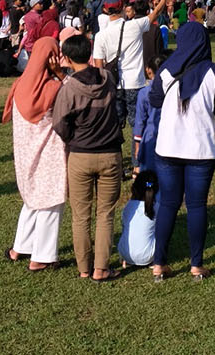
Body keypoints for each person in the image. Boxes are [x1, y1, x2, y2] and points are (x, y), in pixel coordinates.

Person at [148, 22, 215, 281]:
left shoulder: (165, 71)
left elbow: (154, 100)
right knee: (196, 206)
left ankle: (159, 263)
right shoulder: (214, 72)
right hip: (200, 149)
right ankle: (196, 264)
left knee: (169, 204)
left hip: (168, 146)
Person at [52, 34, 121, 281]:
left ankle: (84, 268)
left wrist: (73, 138)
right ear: (89, 52)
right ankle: (101, 268)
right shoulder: (108, 78)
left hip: (80, 155)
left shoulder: (69, 88)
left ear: (67, 59)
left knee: (81, 215)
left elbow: (59, 123)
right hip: (110, 154)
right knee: (105, 213)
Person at [2, 37, 66, 273]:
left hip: (24, 153)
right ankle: (42, 256)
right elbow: (77, 96)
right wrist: (60, 73)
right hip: (48, 155)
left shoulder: (20, 84)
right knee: (51, 202)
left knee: (32, 200)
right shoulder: (53, 87)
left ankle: (20, 247)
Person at [94, 0, 174, 137]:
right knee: (138, 124)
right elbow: (156, 12)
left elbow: (99, 65)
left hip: (114, 84)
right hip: (135, 82)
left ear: (105, 10)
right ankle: (138, 154)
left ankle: (115, 156)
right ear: (124, 8)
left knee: (115, 124)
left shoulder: (100, 36)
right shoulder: (135, 26)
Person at [118, 170, 158, 269]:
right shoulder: (157, 207)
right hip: (148, 255)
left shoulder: (128, 206)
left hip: (125, 253)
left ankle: (127, 259)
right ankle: (157, 261)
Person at [132, 56, 163, 174]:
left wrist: (137, 146)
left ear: (148, 70)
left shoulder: (144, 93)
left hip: (150, 137)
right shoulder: (173, 90)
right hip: (169, 137)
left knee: (148, 175)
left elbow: (139, 122)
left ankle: (150, 188)